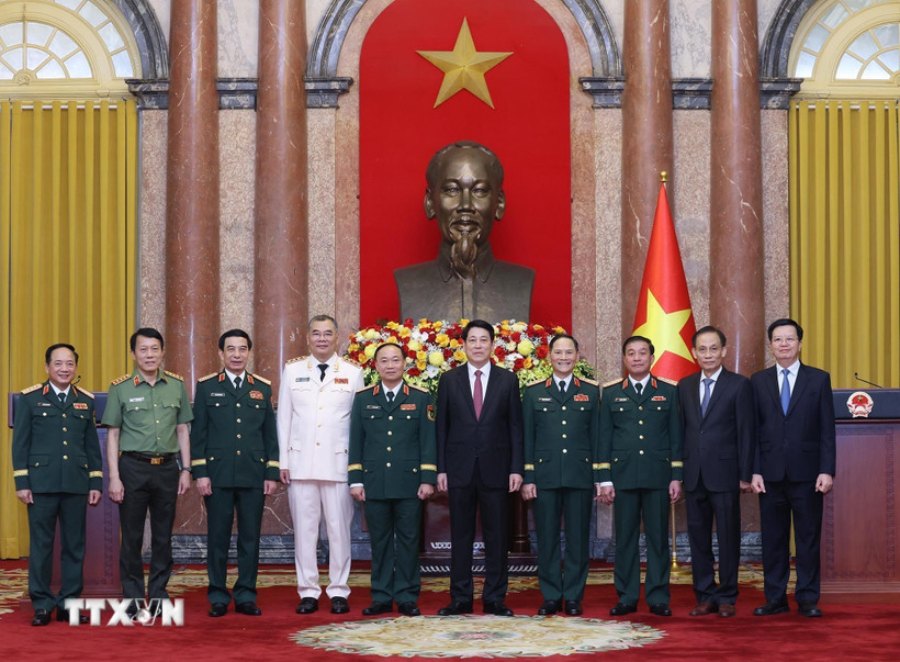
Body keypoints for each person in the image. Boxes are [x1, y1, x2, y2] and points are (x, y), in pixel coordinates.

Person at [435, 319, 524, 617]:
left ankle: (495, 598)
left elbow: (515, 427)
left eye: (483, 340)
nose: (477, 345)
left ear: (492, 344)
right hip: (459, 470)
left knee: (497, 537)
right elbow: (442, 429)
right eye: (472, 340)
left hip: (497, 469)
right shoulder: (449, 380)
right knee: (459, 535)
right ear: (463, 345)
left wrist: (516, 468)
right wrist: (441, 469)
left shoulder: (507, 380)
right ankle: (460, 598)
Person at [277, 314, 364, 615]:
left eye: (328, 333)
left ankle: (339, 590)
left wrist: (356, 467)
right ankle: (309, 590)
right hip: (301, 464)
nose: (322, 339)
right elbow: (284, 418)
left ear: (337, 337)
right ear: (308, 337)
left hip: (339, 464)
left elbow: (358, 425)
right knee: (305, 531)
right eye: (316, 333)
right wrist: (284, 460)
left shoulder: (353, 372)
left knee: (340, 530)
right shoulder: (293, 370)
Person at [191, 329, 280, 617]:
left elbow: (270, 435)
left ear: (249, 353)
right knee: (217, 537)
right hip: (217, 475)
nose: (237, 355)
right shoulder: (206, 387)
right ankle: (218, 595)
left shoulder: (262, 388)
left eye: (242, 349)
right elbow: (199, 434)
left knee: (250, 538)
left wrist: (271, 472)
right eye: (231, 349)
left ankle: (245, 595)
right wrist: (200, 472)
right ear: (221, 353)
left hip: (253, 475)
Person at [12, 343, 102, 626]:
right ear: (47, 367)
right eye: (58, 363)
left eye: (69, 364)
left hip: (76, 483)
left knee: (75, 546)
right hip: (41, 484)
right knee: (42, 546)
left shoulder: (85, 401)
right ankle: (41, 604)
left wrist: (95, 481)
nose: (64, 369)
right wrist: (22, 481)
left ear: (76, 367)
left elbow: (91, 446)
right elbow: (21, 444)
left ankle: (69, 604)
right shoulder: (29, 399)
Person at [102, 328, 192, 610]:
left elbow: (182, 430)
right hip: (133, 468)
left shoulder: (176, 385)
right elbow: (113, 434)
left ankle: (158, 593)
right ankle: (131, 596)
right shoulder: (121, 388)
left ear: (162, 352)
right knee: (131, 536)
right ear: (133, 354)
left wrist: (186, 469)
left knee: (164, 535)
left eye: (154, 349)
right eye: (143, 349)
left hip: (167, 469)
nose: (149, 355)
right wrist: (114, 477)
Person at [751, 318, 835, 618]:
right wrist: (755, 470)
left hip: (808, 474)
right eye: (777, 339)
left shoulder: (818, 379)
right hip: (769, 475)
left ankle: (808, 598)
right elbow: (753, 431)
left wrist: (827, 470)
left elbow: (827, 429)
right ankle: (775, 598)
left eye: (789, 339)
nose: (783, 344)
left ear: (800, 343)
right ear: (770, 344)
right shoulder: (758, 381)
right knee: (773, 540)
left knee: (807, 539)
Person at [394, 141, 534, 322]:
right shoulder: (408, 282)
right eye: (452, 190)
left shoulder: (521, 281)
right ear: (430, 203)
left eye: (479, 190)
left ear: (499, 203)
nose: (465, 205)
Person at [348, 343, 436, 617]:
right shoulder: (363, 398)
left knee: (409, 541)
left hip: (409, 483)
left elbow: (428, 441)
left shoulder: (421, 398)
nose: (389, 365)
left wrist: (427, 478)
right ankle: (382, 596)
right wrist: (355, 480)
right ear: (375, 366)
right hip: (374, 483)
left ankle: (408, 595)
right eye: (383, 361)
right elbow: (356, 440)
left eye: (395, 360)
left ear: (404, 364)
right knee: (380, 542)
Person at [598, 335, 683, 617]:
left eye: (642, 353)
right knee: (624, 539)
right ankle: (627, 596)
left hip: (658, 476)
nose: (636, 358)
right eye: (631, 353)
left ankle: (658, 597)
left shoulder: (669, 392)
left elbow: (675, 437)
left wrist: (676, 476)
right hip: (622, 478)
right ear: (624, 359)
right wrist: (605, 478)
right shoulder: (610, 393)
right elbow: (604, 440)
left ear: (652, 358)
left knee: (658, 539)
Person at [677, 326, 755, 618]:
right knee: (697, 538)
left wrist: (745, 474)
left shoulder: (739, 385)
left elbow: (747, 432)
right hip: (694, 474)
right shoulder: (684, 385)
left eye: (713, 348)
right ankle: (705, 594)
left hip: (726, 474)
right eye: (702, 349)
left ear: (723, 351)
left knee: (728, 537)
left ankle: (727, 596)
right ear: (694, 353)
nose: (708, 354)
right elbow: (681, 430)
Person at [521, 334, 601, 616]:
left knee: (579, 539)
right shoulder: (533, 392)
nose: (564, 357)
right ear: (549, 356)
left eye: (569, 352)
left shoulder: (591, 392)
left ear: (577, 355)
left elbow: (597, 437)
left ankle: (575, 595)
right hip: (544, 477)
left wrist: (599, 477)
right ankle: (552, 595)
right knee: (547, 539)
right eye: (559, 352)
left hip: (580, 475)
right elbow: (527, 438)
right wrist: (528, 477)